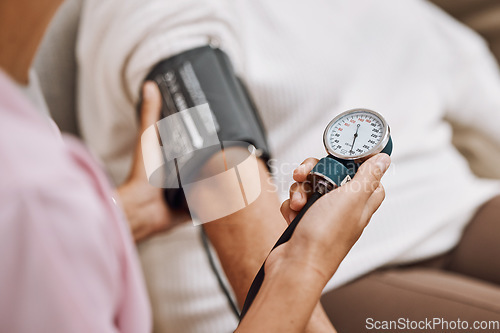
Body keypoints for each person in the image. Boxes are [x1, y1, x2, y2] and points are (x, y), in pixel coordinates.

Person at [76, 0, 500, 331]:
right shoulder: (163, 14)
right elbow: (223, 176)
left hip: (449, 205)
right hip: (317, 267)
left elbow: (468, 71)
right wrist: (293, 300)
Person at [0, 1, 392, 331]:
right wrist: (302, 264)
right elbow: (32, 216)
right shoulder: (33, 189)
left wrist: (124, 213)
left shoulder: (18, 108)